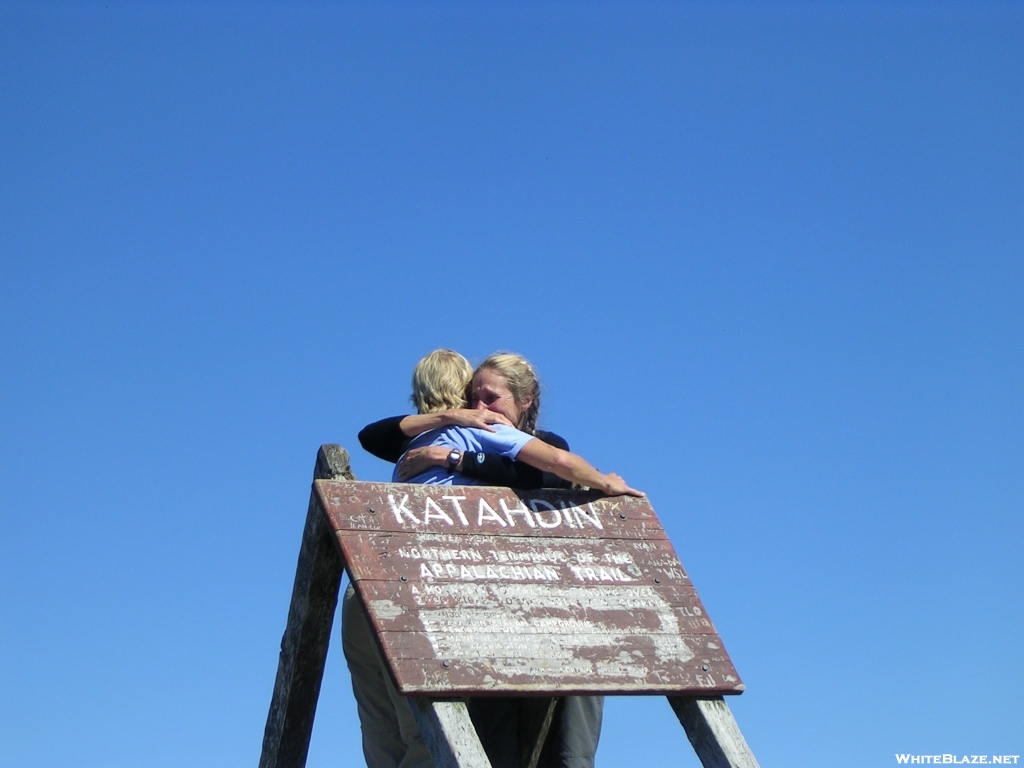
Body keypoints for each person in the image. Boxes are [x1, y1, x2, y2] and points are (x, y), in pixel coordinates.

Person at [346, 350, 640, 768]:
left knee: (414, 734)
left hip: (518, 602)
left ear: (526, 399)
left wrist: (449, 457)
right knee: (412, 734)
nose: (480, 409)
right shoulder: (460, 430)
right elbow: (372, 436)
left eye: (491, 399)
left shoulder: (521, 441)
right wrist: (451, 419)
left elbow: (545, 468)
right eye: (472, 398)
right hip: (427, 586)